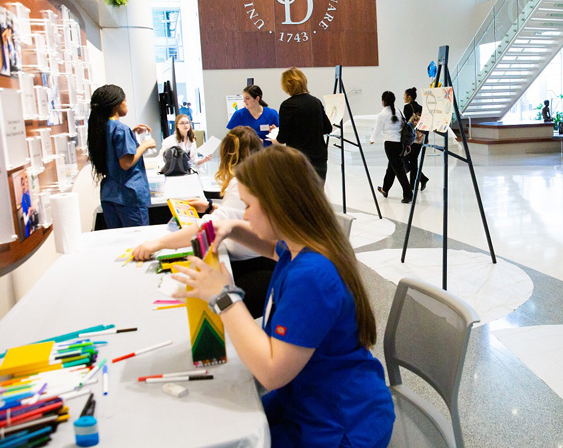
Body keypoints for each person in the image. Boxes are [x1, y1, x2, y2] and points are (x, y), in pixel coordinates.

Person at [172, 146, 395, 447]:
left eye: (249, 206)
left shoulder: (312, 276)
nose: (246, 214)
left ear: (277, 206)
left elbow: (271, 373)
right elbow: (269, 248)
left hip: (338, 425)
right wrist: (233, 228)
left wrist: (224, 297)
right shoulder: (302, 246)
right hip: (310, 399)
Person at [133, 126, 271, 318]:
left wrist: (158, 244)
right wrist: (209, 208)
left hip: (253, 268)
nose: (247, 216)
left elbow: (212, 227)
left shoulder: (242, 181)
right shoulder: (258, 177)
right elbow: (233, 216)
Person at [87, 85, 156, 228]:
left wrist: (131, 133)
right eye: (125, 101)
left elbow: (112, 150)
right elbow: (126, 163)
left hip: (110, 194)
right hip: (128, 195)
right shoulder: (120, 129)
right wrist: (145, 145)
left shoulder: (100, 127)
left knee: (119, 241)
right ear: (116, 104)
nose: (126, 104)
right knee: (138, 241)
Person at [275, 68, 332, 182]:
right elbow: (327, 128)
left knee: (300, 196)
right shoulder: (316, 102)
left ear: (286, 86)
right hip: (318, 158)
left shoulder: (287, 106)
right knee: (316, 195)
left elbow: (282, 138)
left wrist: (274, 140)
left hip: (297, 160)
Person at [371, 91, 413, 203]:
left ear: (383, 101)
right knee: (392, 168)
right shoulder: (399, 112)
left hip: (390, 144)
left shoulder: (382, 115)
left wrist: (372, 139)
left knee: (398, 169)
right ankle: (385, 189)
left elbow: (377, 129)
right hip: (399, 143)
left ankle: (408, 194)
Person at [402, 87, 428, 191]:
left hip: (411, 138)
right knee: (413, 160)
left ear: (409, 97)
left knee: (408, 160)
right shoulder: (422, 108)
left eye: (404, 95)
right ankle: (419, 180)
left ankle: (416, 183)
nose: (403, 97)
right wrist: (426, 138)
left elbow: (407, 123)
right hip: (421, 138)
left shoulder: (407, 107)